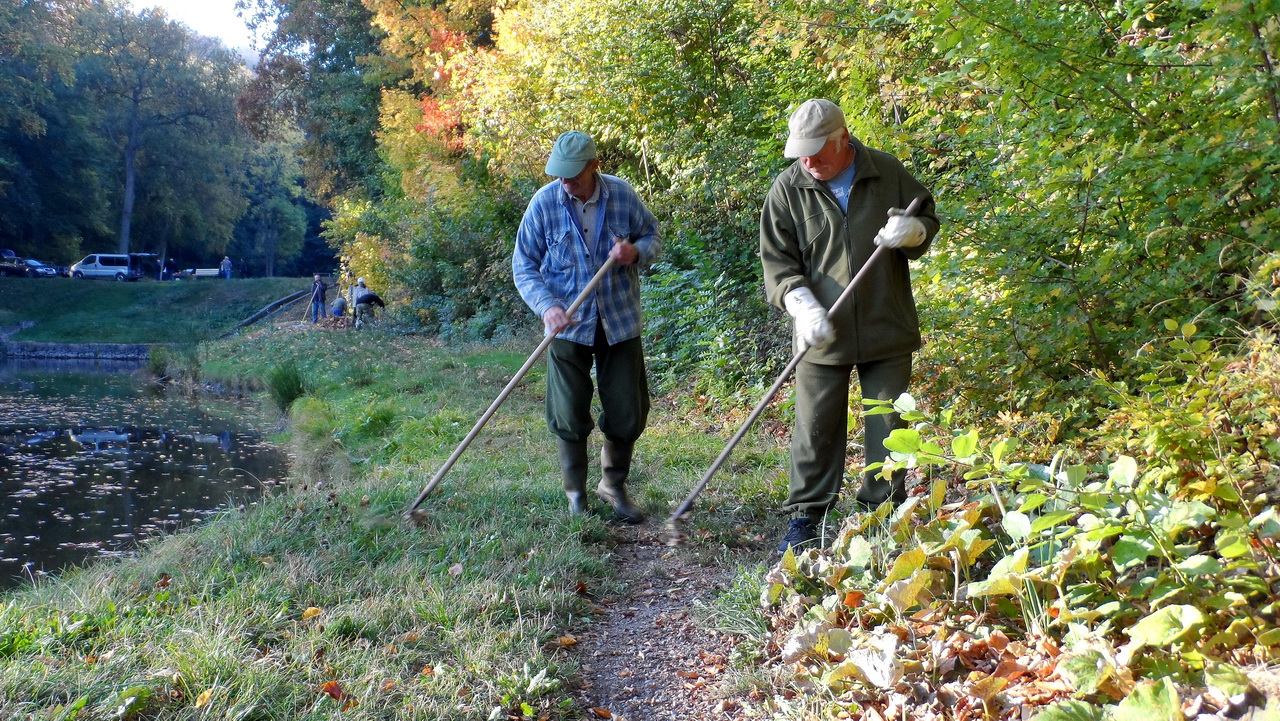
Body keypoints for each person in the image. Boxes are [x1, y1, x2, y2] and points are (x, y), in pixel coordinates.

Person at [759, 98, 941, 553]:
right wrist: (801, 304)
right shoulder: (787, 188)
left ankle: (881, 514)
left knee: (889, 424)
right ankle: (807, 516)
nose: (808, 162)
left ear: (842, 139)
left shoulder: (885, 171)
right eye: (800, 153)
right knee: (814, 428)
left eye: (816, 151)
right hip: (821, 332)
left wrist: (914, 231)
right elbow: (777, 263)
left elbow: (927, 219)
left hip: (886, 322)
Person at [512, 130, 661, 522]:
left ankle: (613, 486)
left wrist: (636, 252)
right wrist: (547, 307)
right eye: (559, 174)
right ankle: (576, 493)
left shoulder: (622, 195)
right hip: (567, 327)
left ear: (594, 166)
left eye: (573, 174)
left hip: (619, 321)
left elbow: (652, 236)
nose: (565, 182)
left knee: (628, 410)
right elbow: (523, 265)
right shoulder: (544, 204)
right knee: (568, 412)